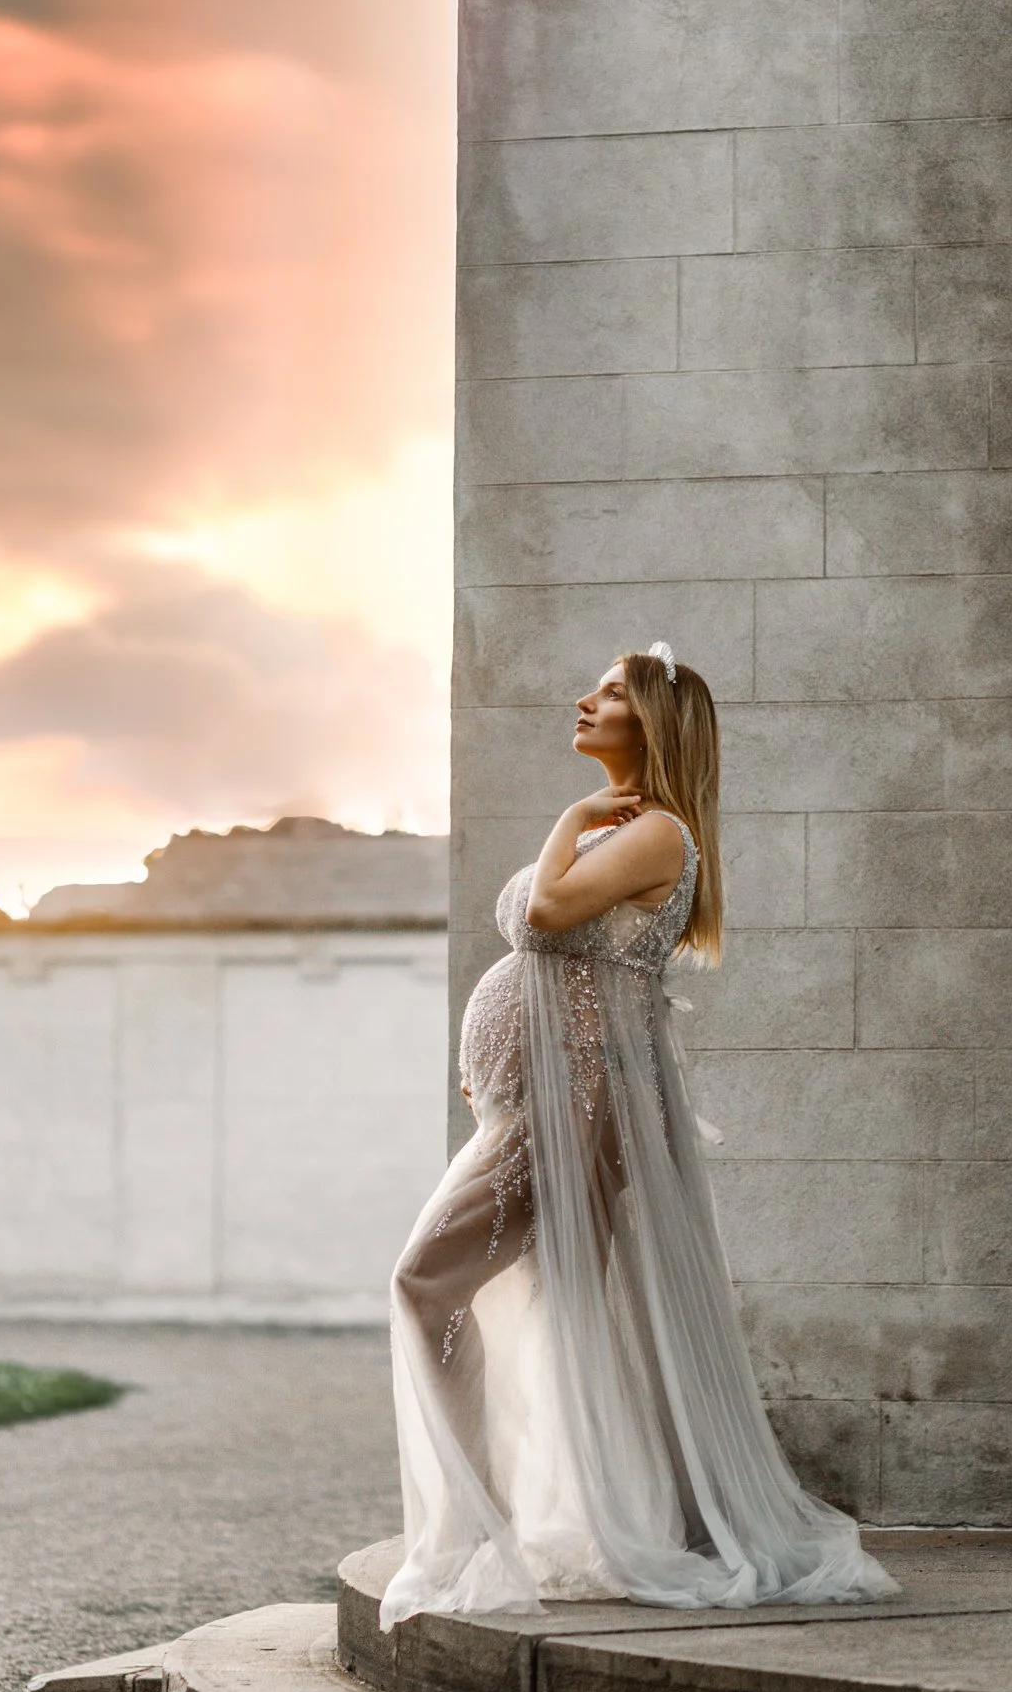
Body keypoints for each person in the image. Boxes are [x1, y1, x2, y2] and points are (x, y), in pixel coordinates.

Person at [380, 643, 898, 1629]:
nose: (583, 698)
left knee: (425, 1281)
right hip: (539, 1101)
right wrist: (492, 1061)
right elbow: (565, 970)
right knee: (547, 1305)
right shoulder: (637, 828)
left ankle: (471, 1532)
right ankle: (553, 1513)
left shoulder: (654, 830)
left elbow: (543, 913)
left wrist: (570, 818)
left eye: (610, 691)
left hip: (571, 1109)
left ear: (655, 721)